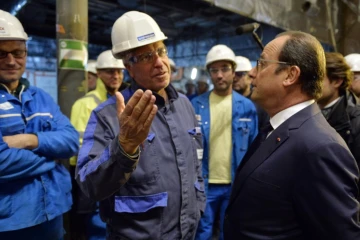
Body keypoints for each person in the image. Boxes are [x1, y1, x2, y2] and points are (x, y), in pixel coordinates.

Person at [76, 11, 206, 240]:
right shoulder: (107, 115)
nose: (160, 63)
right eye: (146, 57)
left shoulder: (184, 104)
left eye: (161, 51)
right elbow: (89, 185)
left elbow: (196, 163)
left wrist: (199, 205)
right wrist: (124, 146)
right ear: (128, 66)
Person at [224, 31, 360, 239]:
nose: (252, 73)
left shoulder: (320, 147)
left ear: (290, 75)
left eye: (261, 64)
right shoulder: (277, 128)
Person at [0, 10, 79, 239]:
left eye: (17, 52)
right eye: (1, 54)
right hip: (10, 223)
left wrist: (30, 140)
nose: (11, 61)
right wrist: (52, 157)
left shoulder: (40, 97)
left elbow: (71, 140)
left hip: (52, 212)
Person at [191, 44, 258, 240]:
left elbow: (254, 149)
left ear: (233, 71)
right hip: (204, 183)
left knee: (229, 231)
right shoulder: (195, 105)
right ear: (209, 73)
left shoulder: (246, 106)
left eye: (225, 69)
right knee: (202, 232)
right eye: (214, 70)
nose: (220, 75)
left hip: (234, 184)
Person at [70, 50, 127, 240]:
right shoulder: (85, 104)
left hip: (122, 173)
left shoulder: (126, 100)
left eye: (119, 71)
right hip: (97, 172)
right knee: (97, 225)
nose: (116, 76)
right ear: (99, 73)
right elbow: (79, 147)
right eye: (110, 71)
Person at [318, 52, 360, 168]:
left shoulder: (355, 121)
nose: (310, 83)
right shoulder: (303, 110)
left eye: (319, 77)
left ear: (337, 81)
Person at [234, 55, 269, 131]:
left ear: (250, 77)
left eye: (239, 74)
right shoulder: (228, 102)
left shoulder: (260, 103)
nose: (235, 79)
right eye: (233, 74)